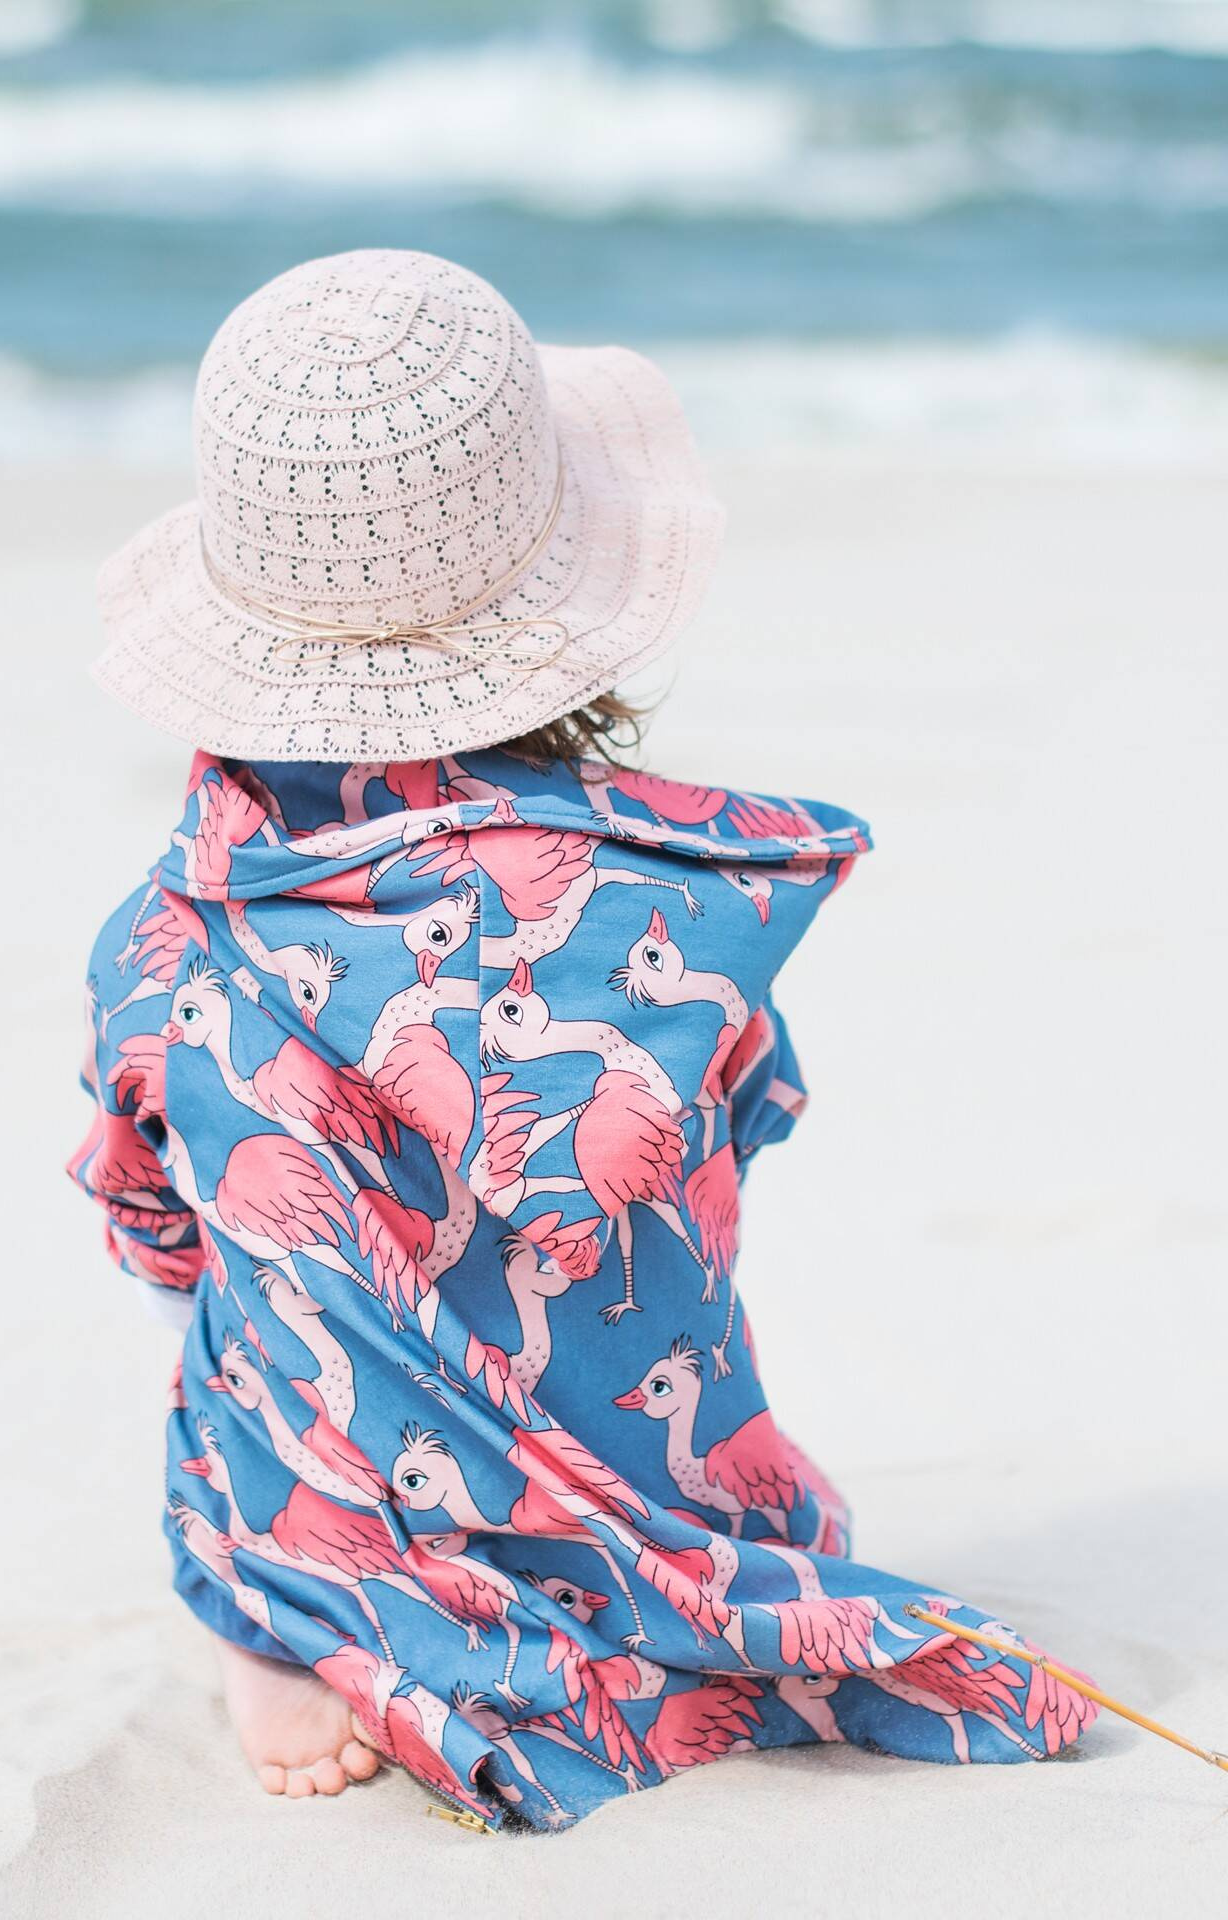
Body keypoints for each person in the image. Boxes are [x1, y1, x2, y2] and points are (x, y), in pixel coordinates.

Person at [68, 249, 1093, 1828]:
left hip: (329, 1473)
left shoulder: (163, 941)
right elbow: (737, 1126)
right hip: (639, 1434)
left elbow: (150, 1229)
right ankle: (575, 1545)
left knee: (233, 1291)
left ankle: (285, 1601)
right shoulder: (669, 912)